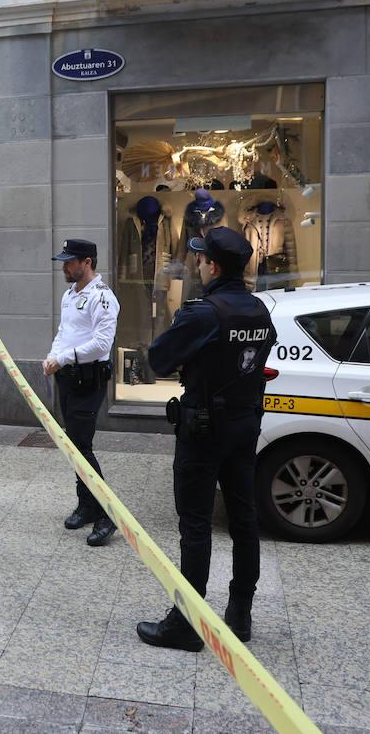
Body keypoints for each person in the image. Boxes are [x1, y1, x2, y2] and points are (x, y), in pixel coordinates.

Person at [136, 226, 276, 652]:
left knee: (195, 526)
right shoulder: (258, 310)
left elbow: (159, 360)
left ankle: (187, 624)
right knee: (244, 520)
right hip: (244, 425)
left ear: (213, 266)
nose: (197, 263)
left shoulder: (202, 313)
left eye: (201, 258)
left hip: (203, 430)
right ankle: (240, 614)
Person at [42, 238, 120, 547]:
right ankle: (86, 505)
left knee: (82, 447)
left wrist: (61, 358)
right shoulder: (70, 294)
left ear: (87, 262)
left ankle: (106, 515)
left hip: (88, 380)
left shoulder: (102, 298)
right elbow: (65, 332)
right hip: (68, 378)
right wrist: (52, 356)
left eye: (69, 261)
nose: (64, 266)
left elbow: (102, 344)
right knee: (75, 446)